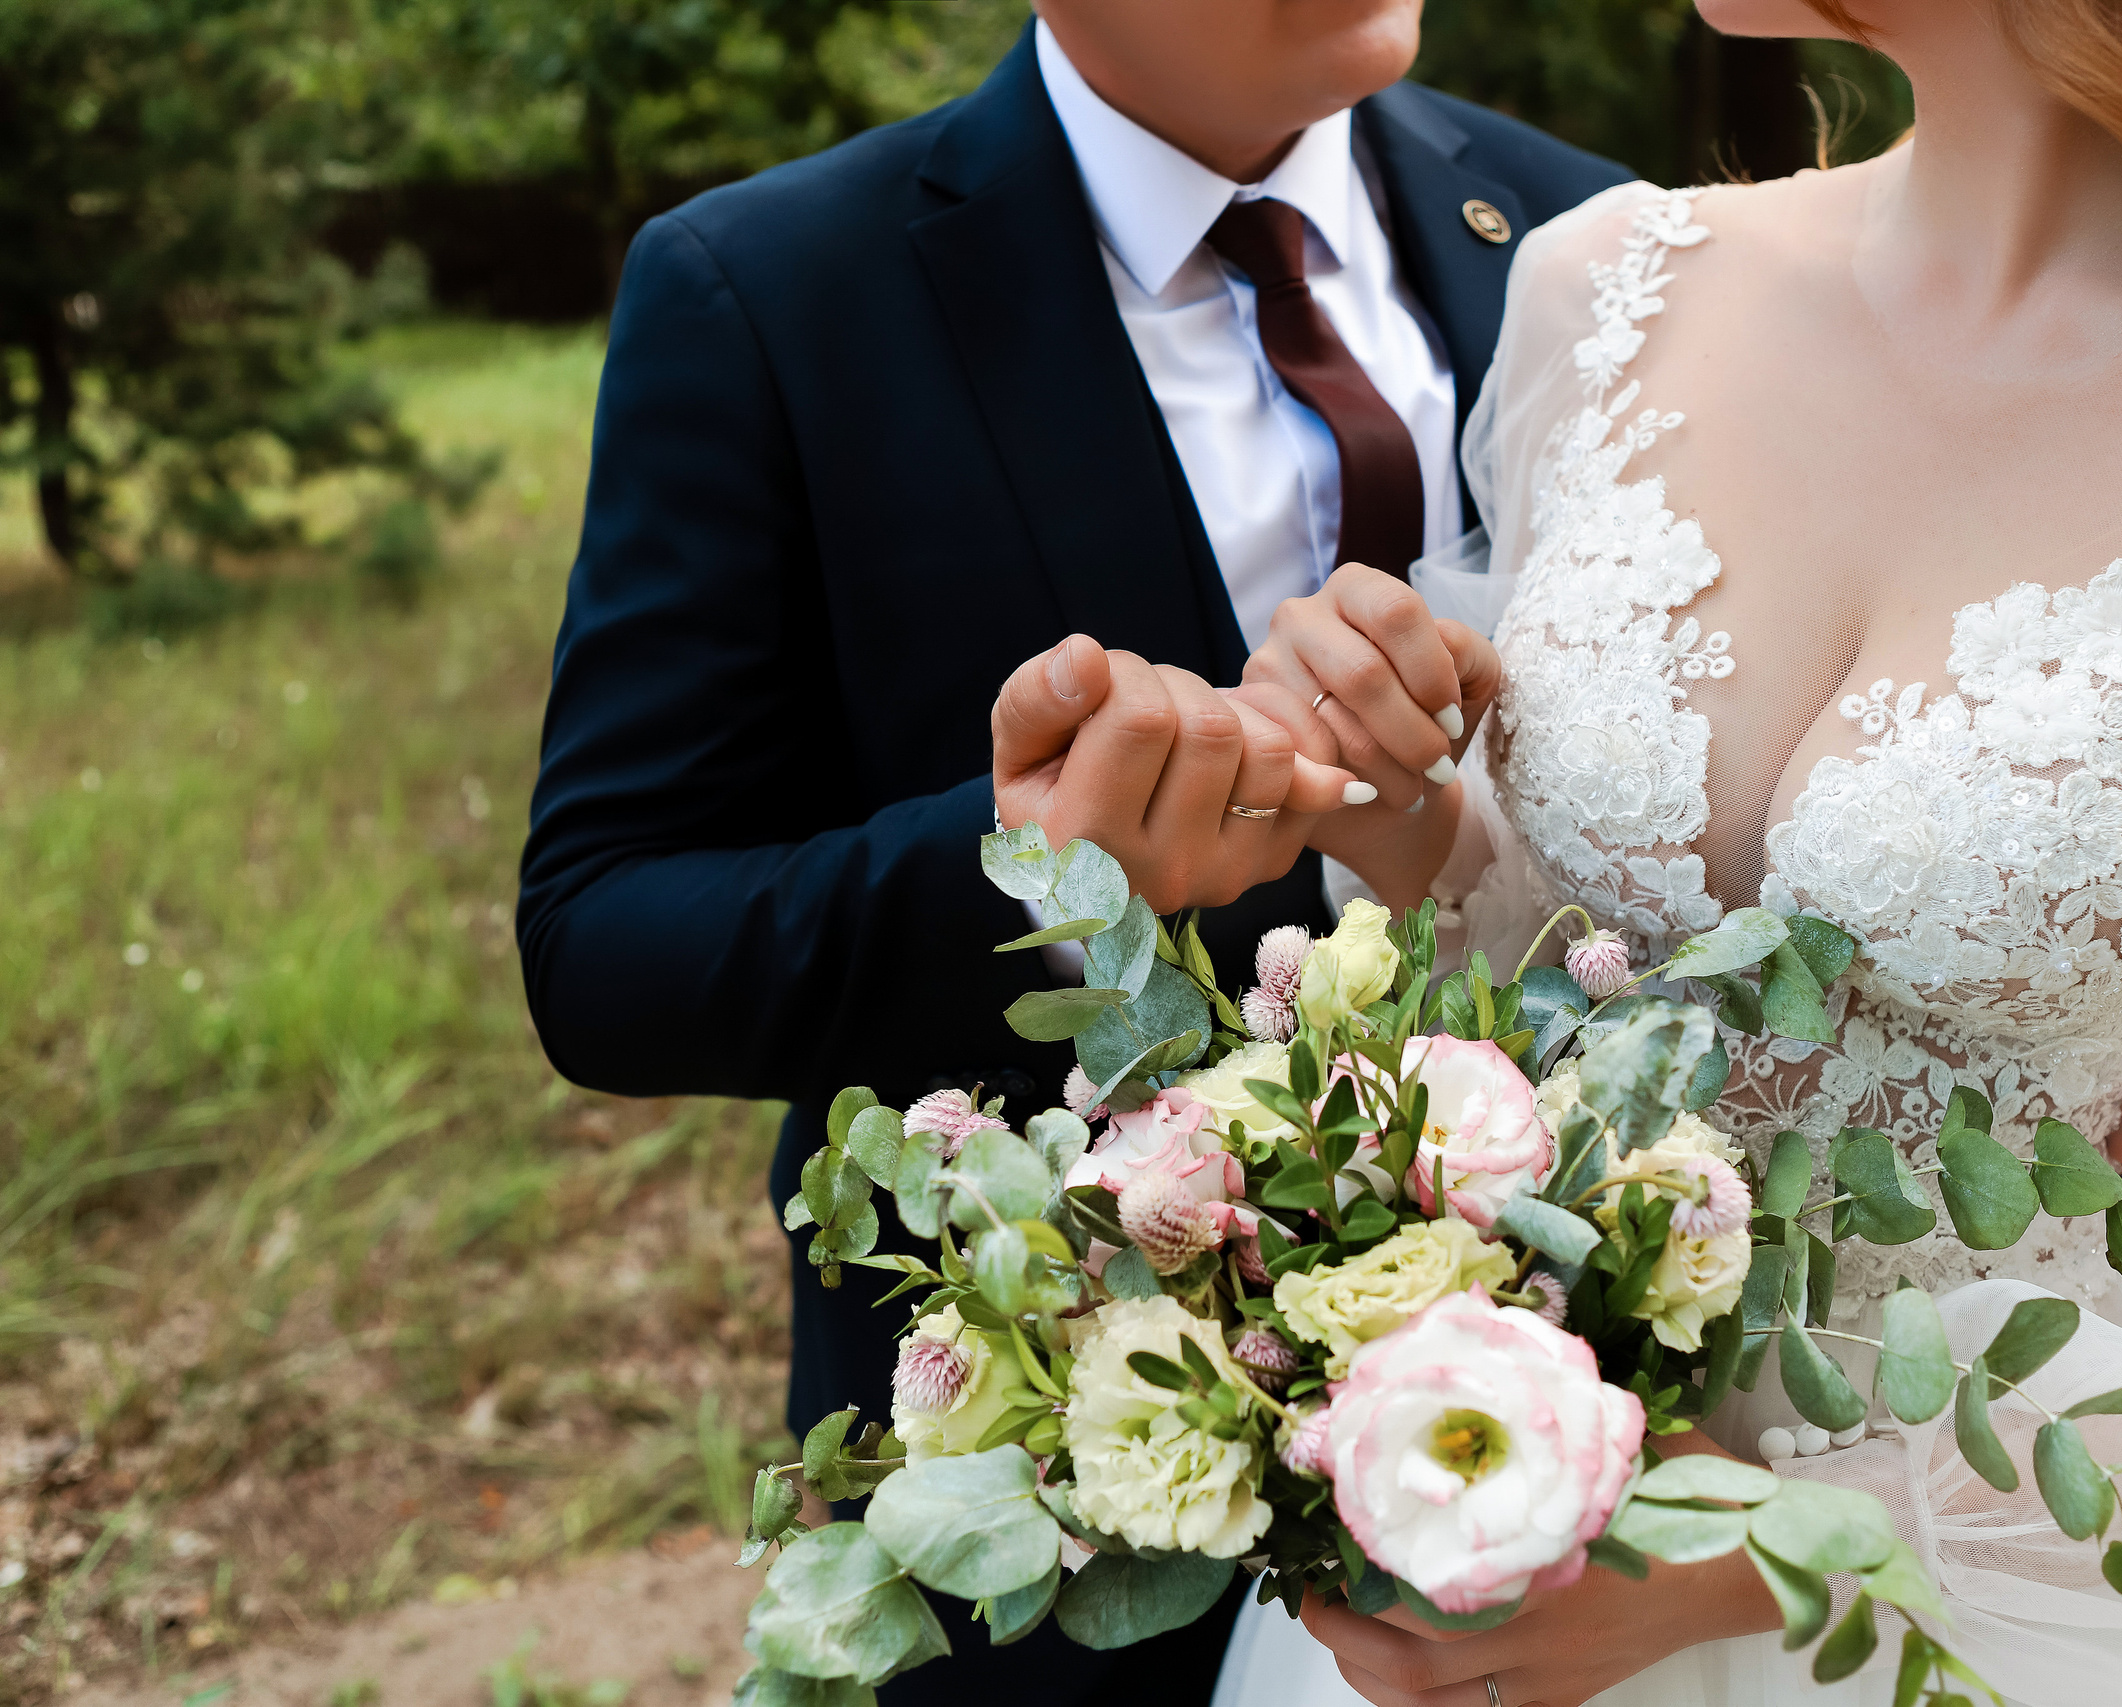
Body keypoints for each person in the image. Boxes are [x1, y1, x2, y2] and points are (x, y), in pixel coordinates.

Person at [1180, 1, 2122, 1704]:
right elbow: (1584, 974)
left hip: (2046, 1594)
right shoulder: (1613, 287)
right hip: (1499, 1515)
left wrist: (1771, 1547)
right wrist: (1380, 799)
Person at [514, 4, 1625, 1704]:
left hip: (1572, 1432)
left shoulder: (1590, 233)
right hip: (1074, 1491)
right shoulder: (774, 293)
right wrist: (1017, 873)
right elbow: (603, 940)